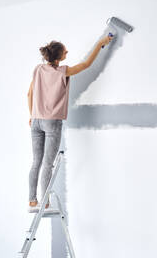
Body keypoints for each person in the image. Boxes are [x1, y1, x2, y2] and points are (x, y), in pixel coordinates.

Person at [28, 35, 113, 209]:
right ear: (59, 57)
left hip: (36, 121)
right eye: (65, 51)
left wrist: (32, 115)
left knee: (36, 161)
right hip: (52, 122)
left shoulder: (37, 70)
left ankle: (32, 199)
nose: (68, 52)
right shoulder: (62, 71)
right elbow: (86, 65)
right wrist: (100, 44)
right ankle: (45, 203)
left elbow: (29, 94)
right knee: (47, 164)